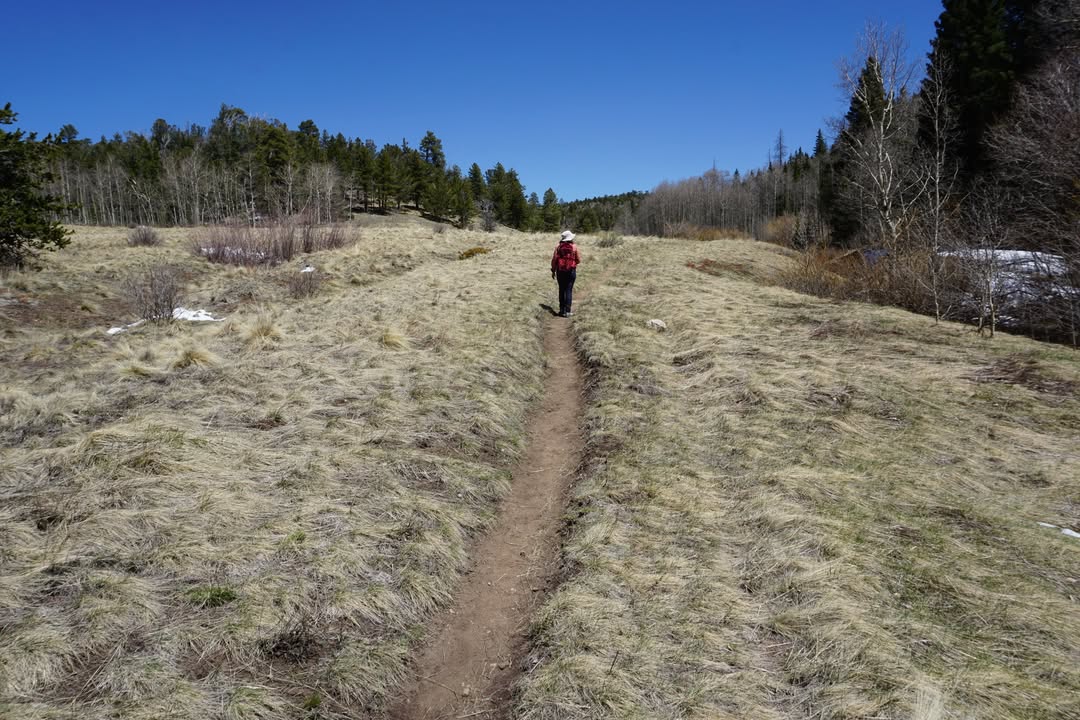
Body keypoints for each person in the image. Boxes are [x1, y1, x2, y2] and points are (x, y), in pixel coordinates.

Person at [550, 230, 581, 317]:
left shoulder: (558, 247)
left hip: (560, 271)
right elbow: (578, 260)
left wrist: (553, 270)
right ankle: (568, 311)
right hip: (571, 271)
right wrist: (572, 264)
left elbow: (554, 260)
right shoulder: (574, 247)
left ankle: (561, 310)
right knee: (569, 290)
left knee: (561, 290)